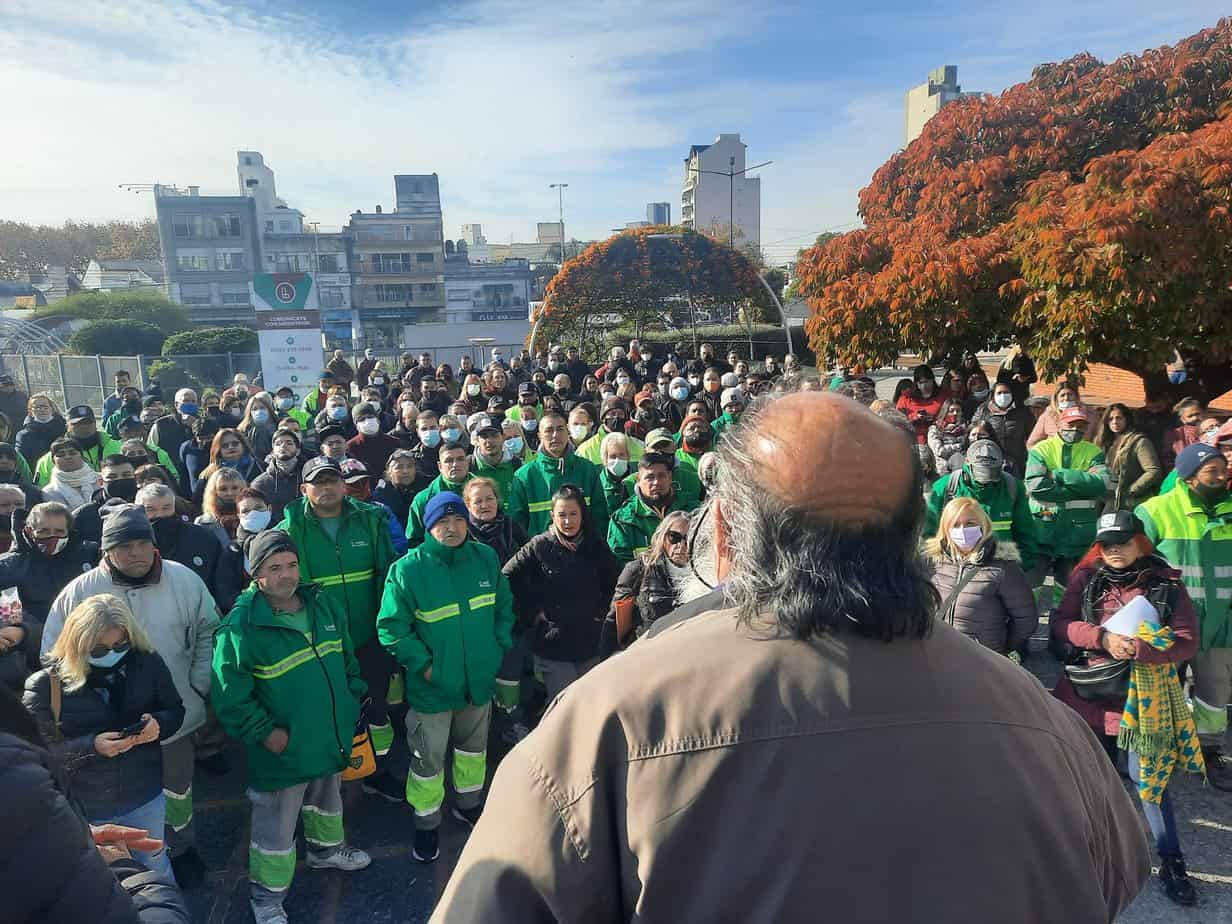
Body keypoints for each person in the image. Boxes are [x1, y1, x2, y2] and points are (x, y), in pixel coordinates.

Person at [436, 391, 1149, 923]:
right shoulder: (1038, 718)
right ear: (911, 536)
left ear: (724, 533)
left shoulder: (607, 721)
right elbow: (1121, 871)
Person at [41, 505, 220, 889]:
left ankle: (180, 847)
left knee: (177, 789)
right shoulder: (80, 592)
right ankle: (119, 870)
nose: (135, 553)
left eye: (142, 542)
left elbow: (210, 630)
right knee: (116, 798)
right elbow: (52, 656)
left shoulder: (184, 580)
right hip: (103, 732)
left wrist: (198, 685)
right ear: (107, 550)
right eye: (124, 546)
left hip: (173, 716)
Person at [212, 531, 371, 924]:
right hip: (282, 751)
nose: (287, 575)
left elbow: (347, 658)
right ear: (255, 574)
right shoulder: (241, 629)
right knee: (275, 833)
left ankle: (325, 851)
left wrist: (351, 702)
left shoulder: (323, 605)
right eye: (275, 568)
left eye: (292, 565)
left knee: (326, 801)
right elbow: (230, 697)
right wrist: (268, 734)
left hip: (327, 737)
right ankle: (266, 898)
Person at [1050, 511, 1202, 906]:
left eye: (1123, 540)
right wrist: (1102, 638)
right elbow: (1061, 624)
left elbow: (1187, 640)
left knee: (1150, 784)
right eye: (1107, 543)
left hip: (1142, 700)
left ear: (1141, 542)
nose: (1114, 549)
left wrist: (1141, 649)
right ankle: (1086, 858)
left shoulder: (1167, 584)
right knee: (1086, 782)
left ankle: (1172, 861)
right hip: (1086, 697)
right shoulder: (1086, 578)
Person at [376, 492, 514, 864]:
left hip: (478, 684)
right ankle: (427, 824)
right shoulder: (408, 570)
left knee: (474, 751)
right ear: (427, 526)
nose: (451, 528)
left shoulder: (484, 558)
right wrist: (426, 667)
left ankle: (468, 805)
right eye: (441, 522)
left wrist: (497, 647)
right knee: (427, 761)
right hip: (433, 690)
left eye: (457, 521)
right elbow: (391, 629)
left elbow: (503, 606)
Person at [23, 593, 184, 882]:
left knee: (155, 869)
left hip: (143, 795)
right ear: (78, 643)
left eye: (120, 645)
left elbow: (174, 710)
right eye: (98, 650)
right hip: (87, 806)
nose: (112, 653)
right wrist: (91, 747)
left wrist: (158, 724)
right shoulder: (46, 686)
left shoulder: (146, 663)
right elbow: (35, 754)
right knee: (98, 882)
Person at [275, 457, 399, 801]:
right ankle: (328, 784)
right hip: (320, 642)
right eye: (318, 482)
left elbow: (388, 575)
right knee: (327, 711)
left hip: (368, 636)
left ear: (344, 484)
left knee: (377, 711)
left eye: (333, 480)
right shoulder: (289, 530)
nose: (327, 488)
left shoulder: (370, 518)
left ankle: (378, 771)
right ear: (304, 490)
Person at [1136, 442, 1232, 790]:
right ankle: (1160, 749)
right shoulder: (1156, 512)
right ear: (1190, 477)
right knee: (1162, 689)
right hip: (1169, 625)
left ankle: (1209, 751)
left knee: (1214, 693)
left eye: (1223, 469)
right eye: (1212, 471)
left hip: (1221, 624)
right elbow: (1134, 563)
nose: (1222, 475)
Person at [504, 484, 620, 699]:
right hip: (553, 646)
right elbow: (507, 578)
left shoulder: (596, 545)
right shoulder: (539, 546)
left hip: (591, 643)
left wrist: (601, 613)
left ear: (582, 514)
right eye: (562, 515)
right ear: (552, 516)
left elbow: (614, 584)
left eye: (573, 514)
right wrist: (531, 611)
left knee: (593, 704)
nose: (568, 521)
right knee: (565, 706)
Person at [924, 496, 1037, 657]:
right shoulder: (933, 561)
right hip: (938, 655)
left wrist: (999, 648)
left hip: (981, 660)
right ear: (945, 528)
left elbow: (1026, 619)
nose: (962, 530)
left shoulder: (1003, 566)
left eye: (970, 523)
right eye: (955, 524)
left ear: (983, 526)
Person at [1025, 406, 1109, 612]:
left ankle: (1062, 635)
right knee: (1029, 589)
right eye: (1072, 424)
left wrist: (1061, 475)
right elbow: (1036, 486)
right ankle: (1024, 635)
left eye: (1081, 425)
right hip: (1042, 529)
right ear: (1060, 424)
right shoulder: (1040, 450)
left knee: (1070, 591)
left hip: (1076, 533)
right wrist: (1080, 486)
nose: (1076, 429)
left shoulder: (1094, 452)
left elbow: (1101, 483)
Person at [0, 501, 99, 674]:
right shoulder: (9, 567)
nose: (53, 537)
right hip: (30, 652)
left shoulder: (90, 557)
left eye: (59, 532)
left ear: (69, 532)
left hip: (86, 646)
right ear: (29, 531)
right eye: (44, 531)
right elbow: (10, 617)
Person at [138, 483, 242, 612]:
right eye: (150, 509)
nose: (160, 514)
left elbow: (220, 582)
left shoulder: (202, 537)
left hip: (200, 611)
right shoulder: (133, 543)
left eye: (166, 508)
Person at [599, 510, 690, 657]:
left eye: (688, 538)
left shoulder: (704, 576)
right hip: (646, 655)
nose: (681, 545)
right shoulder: (639, 570)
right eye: (674, 537)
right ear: (662, 536)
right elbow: (613, 624)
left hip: (686, 655)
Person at [508, 410, 608, 538]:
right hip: (541, 555)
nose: (555, 435)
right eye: (549, 431)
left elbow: (600, 519)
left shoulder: (587, 469)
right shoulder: (524, 476)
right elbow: (517, 527)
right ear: (539, 436)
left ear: (568, 432)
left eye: (560, 429)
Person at [607, 452, 694, 564]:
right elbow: (619, 566)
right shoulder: (623, 521)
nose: (656, 482)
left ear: (670, 477)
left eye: (661, 476)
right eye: (650, 477)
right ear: (638, 479)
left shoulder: (692, 510)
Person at [1093, 403, 1163, 512]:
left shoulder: (1140, 442)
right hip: (1106, 500)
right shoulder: (1102, 442)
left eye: (1119, 418)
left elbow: (1153, 471)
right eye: (1110, 419)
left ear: (1127, 419)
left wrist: (1131, 491)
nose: (1115, 422)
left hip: (1132, 503)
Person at [406, 441, 473, 547]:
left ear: (467, 462)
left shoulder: (485, 492)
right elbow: (413, 541)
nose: (455, 464)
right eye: (449, 461)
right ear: (440, 466)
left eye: (460, 459)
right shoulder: (423, 500)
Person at [34, 406, 122, 487]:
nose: (84, 427)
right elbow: (41, 491)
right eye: (77, 423)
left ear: (95, 424)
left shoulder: (119, 447)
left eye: (88, 422)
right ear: (67, 426)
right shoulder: (49, 460)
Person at [68, 454, 140, 546]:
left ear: (136, 479)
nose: (120, 479)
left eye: (126, 475)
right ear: (101, 482)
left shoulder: (149, 507)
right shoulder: (83, 515)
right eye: (112, 477)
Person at [971, 379, 1033, 475]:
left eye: (1006, 392)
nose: (1003, 396)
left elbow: (1032, 436)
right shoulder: (983, 411)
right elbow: (974, 431)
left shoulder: (1023, 412)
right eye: (999, 393)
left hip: (1017, 462)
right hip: (990, 459)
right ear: (993, 396)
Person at [249, 428, 303, 522]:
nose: (283, 446)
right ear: (273, 452)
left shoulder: (309, 477)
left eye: (289, 443)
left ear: (298, 451)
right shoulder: (259, 484)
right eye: (278, 443)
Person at [468, 415, 519, 511]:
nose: (489, 441)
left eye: (494, 435)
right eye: (484, 436)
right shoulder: (468, 466)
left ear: (503, 437)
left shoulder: (517, 465)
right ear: (477, 441)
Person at [147, 390, 199, 474]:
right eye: (186, 401)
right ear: (176, 404)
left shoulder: (204, 423)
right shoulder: (161, 425)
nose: (190, 404)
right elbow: (151, 450)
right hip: (170, 474)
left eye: (193, 401)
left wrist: (196, 426)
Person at [43, 438, 102, 510]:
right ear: (53, 460)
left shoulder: (101, 479)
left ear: (82, 456)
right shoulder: (49, 492)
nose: (67, 457)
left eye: (72, 453)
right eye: (61, 455)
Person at [1026, 382, 1087, 449]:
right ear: (1056, 398)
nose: (1066, 398)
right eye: (1062, 395)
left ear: (1076, 397)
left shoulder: (1087, 415)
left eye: (1070, 394)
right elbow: (1032, 443)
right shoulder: (1048, 416)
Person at [345, 401, 399, 476]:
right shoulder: (350, 447)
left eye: (370, 417)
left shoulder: (394, 442)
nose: (367, 421)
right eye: (362, 419)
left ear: (378, 420)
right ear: (356, 425)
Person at [195, 468, 245, 547]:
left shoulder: (254, 515)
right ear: (214, 491)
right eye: (223, 489)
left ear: (242, 489)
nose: (230, 493)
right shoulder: (202, 523)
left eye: (235, 488)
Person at [16, 392, 66, 470]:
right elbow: (21, 462)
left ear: (52, 408)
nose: (41, 409)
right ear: (30, 412)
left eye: (45, 406)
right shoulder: (24, 435)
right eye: (37, 407)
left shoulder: (65, 428)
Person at [926, 398, 968, 476]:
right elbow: (940, 451)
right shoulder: (935, 429)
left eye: (958, 411)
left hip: (962, 468)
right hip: (943, 469)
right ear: (945, 412)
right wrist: (959, 446)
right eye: (951, 411)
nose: (955, 413)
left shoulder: (965, 428)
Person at [1161, 397, 1203, 472]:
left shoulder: (1210, 429)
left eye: (1197, 414)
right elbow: (1167, 458)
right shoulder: (1174, 435)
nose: (1195, 418)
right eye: (1190, 416)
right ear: (1182, 419)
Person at [598, 431, 631, 514]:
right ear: (605, 459)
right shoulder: (598, 483)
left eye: (621, 455)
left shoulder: (637, 479)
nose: (617, 460)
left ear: (628, 455)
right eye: (613, 456)